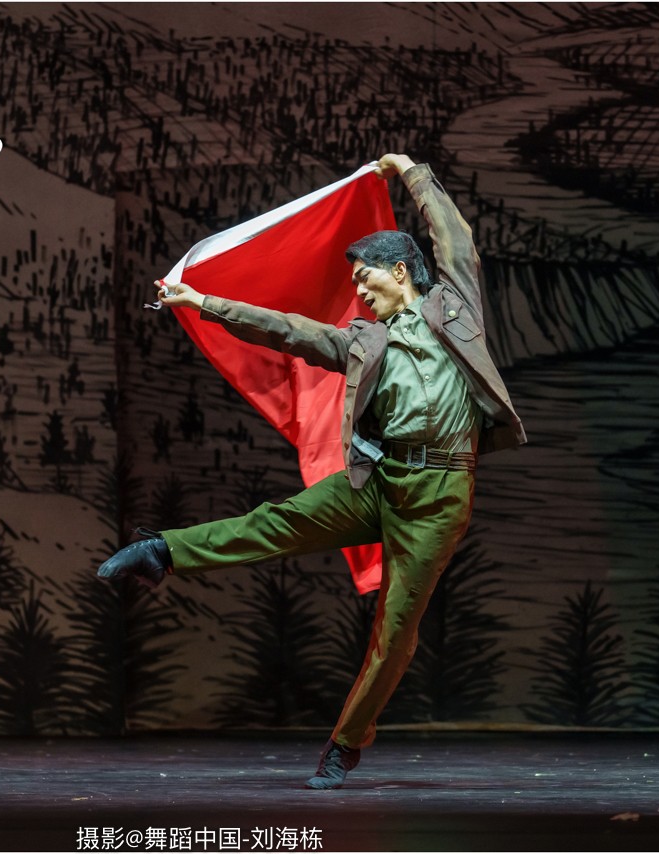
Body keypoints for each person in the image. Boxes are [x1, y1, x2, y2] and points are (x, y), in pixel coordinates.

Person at [97, 153, 526, 789]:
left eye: (365, 278)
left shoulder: (454, 307)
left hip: (439, 495)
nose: (359, 291)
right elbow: (287, 331)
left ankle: (345, 744)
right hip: (379, 483)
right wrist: (204, 302)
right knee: (278, 521)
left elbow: (453, 235)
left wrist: (411, 171)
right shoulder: (363, 340)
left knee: (395, 632)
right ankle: (163, 551)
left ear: (399, 271)